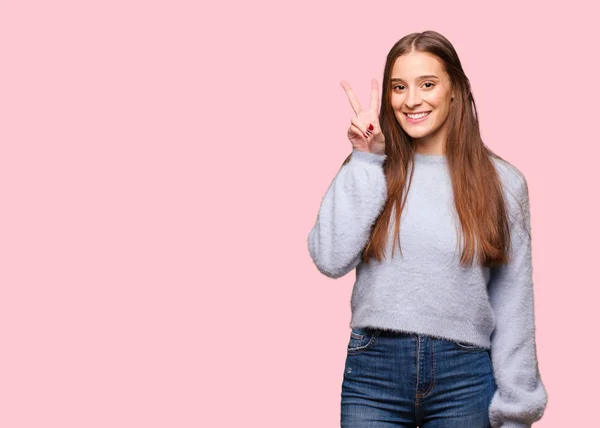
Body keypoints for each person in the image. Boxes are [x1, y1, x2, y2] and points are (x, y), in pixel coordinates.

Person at [307, 31, 548, 428]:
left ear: (456, 89)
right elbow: (329, 258)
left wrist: (518, 410)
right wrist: (364, 161)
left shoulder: (504, 182)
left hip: (465, 376)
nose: (412, 100)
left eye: (428, 84)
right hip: (373, 373)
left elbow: (514, 301)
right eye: (398, 87)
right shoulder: (370, 169)